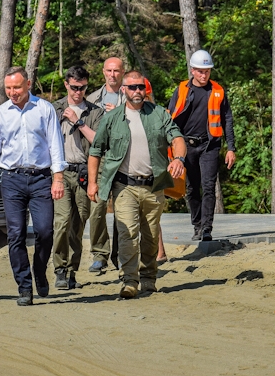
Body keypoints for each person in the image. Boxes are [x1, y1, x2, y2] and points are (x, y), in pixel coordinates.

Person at [87, 71, 186, 298]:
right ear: (124, 90)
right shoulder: (112, 119)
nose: (137, 91)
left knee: (150, 237)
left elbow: (177, 137)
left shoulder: (159, 114)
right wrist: (93, 183)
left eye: (140, 87)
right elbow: (95, 151)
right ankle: (129, 281)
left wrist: (179, 158)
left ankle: (149, 278)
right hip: (124, 187)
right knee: (127, 234)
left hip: (154, 186)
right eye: (132, 87)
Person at [0, 66, 66, 306]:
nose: (12, 92)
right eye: (8, 88)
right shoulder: (0, 114)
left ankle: (39, 271)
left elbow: (55, 145)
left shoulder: (44, 109)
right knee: (16, 234)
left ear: (28, 85)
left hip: (41, 178)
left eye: (17, 87)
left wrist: (58, 177)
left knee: (45, 231)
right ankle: (24, 286)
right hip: (12, 180)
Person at [168, 50, 236, 241]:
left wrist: (231, 147)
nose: (203, 75)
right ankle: (197, 225)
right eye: (199, 71)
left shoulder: (218, 91)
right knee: (191, 188)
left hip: (209, 145)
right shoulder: (181, 89)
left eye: (207, 71)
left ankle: (207, 228)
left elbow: (227, 119)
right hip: (186, 145)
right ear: (192, 70)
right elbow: (170, 117)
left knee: (208, 186)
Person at [52, 66, 103, 290]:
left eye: (82, 88)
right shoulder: (54, 109)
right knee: (61, 222)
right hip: (61, 173)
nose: (77, 92)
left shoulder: (95, 112)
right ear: (66, 85)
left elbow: (99, 142)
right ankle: (60, 270)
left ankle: (72, 271)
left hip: (84, 172)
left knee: (78, 225)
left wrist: (78, 122)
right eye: (74, 88)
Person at [84, 57, 126, 272]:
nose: (112, 74)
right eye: (109, 71)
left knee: (122, 209)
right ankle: (99, 254)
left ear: (122, 72)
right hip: (100, 160)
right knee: (97, 208)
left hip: (124, 160)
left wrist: (119, 113)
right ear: (103, 72)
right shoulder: (92, 99)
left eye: (116, 71)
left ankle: (120, 254)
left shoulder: (131, 96)